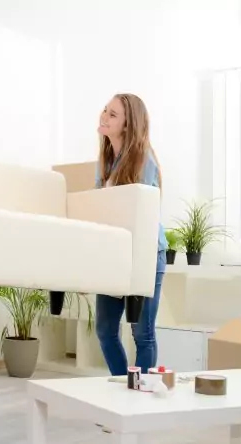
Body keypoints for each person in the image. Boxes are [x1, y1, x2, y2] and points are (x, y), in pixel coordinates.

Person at [93, 93, 167, 377]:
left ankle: (142, 396)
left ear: (127, 124)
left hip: (145, 254)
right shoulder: (104, 160)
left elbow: (144, 214)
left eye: (112, 114)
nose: (104, 116)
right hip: (116, 254)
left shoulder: (144, 160)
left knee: (142, 333)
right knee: (105, 330)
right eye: (104, 110)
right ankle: (125, 386)